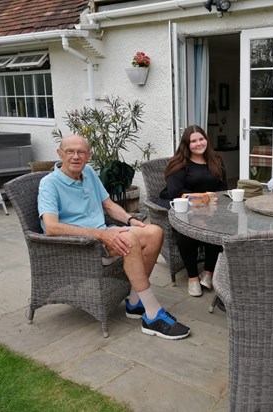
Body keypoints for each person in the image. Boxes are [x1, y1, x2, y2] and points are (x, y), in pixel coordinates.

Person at [38, 134, 190, 340]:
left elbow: (108, 205)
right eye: (70, 151)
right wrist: (101, 234)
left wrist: (129, 220)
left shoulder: (88, 172)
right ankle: (152, 315)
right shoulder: (49, 184)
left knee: (154, 232)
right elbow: (51, 227)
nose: (76, 156)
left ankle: (135, 303)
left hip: (103, 233)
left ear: (88, 155)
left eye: (81, 152)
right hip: (80, 244)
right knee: (130, 241)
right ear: (60, 154)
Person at [158, 125, 228, 297]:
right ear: (186, 144)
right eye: (193, 141)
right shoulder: (179, 164)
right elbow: (176, 192)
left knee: (218, 229)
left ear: (206, 139)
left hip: (210, 210)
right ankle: (193, 277)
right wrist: (203, 198)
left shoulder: (216, 160)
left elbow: (223, 188)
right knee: (186, 235)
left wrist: (212, 204)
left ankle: (208, 273)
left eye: (201, 139)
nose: (198, 143)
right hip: (184, 211)